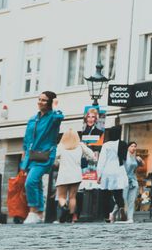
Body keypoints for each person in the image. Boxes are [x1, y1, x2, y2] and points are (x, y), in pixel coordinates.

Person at [21, 91, 64, 224]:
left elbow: (60, 117)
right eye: (39, 99)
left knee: (30, 182)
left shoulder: (53, 117)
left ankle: (33, 211)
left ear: (50, 102)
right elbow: (27, 138)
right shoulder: (33, 119)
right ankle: (39, 213)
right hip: (31, 156)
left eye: (44, 100)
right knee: (37, 183)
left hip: (45, 155)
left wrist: (55, 106)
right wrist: (24, 153)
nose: (40, 102)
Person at [54, 128, 96, 223]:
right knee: (72, 197)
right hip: (76, 174)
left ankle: (64, 208)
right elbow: (92, 156)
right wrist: (88, 159)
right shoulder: (80, 145)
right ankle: (70, 217)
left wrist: (58, 161)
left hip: (64, 174)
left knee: (61, 196)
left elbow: (54, 157)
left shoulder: (61, 146)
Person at [96, 126, 127, 222]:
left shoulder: (106, 145)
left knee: (106, 195)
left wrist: (99, 174)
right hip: (118, 170)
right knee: (118, 193)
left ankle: (106, 216)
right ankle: (121, 207)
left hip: (107, 171)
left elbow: (101, 161)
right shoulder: (123, 144)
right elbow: (125, 159)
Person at [122, 142, 143, 223]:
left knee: (131, 200)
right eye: (132, 146)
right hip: (125, 180)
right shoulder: (124, 156)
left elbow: (142, 165)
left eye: (135, 146)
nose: (133, 148)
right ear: (128, 147)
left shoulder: (135, 157)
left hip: (133, 180)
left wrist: (140, 160)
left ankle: (130, 218)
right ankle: (113, 213)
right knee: (123, 199)